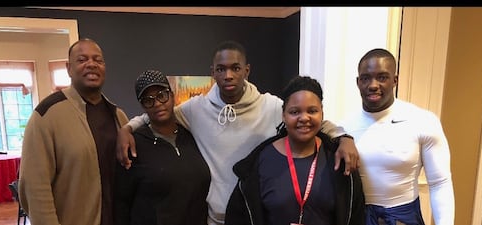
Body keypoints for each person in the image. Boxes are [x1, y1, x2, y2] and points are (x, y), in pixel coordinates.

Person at [116, 40, 360, 225]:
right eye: (221, 69)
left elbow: (306, 119)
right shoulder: (196, 109)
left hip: (252, 215)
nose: (228, 75)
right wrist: (128, 127)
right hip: (213, 216)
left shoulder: (272, 106)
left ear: (247, 70)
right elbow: (161, 111)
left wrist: (343, 137)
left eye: (235, 68)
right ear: (213, 72)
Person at [225, 76, 365, 225]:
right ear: (283, 115)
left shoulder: (339, 159)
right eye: (294, 112)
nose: (304, 118)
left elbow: (356, 216)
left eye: (312, 111)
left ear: (322, 114)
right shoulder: (259, 162)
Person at [18, 38, 129, 225]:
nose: (91, 64)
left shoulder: (119, 116)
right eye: (82, 59)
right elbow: (35, 188)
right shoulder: (46, 116)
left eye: (98, 60)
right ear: (69, 68)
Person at [341, 48, 455, 225]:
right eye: (366, 78)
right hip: (358, 216)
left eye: (382, 77)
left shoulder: (423, 121)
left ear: (395, 80)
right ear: (358, 82)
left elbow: (440, 182)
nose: (373, 85)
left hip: (404, 217)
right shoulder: (344, 128)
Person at [114, 70, 210, 225]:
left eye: (161, 95)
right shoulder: (134, 145)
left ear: (172, 96)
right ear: (142, 105)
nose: (157, 103)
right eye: (148, 100)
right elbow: (121, 203)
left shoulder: (192, 135)